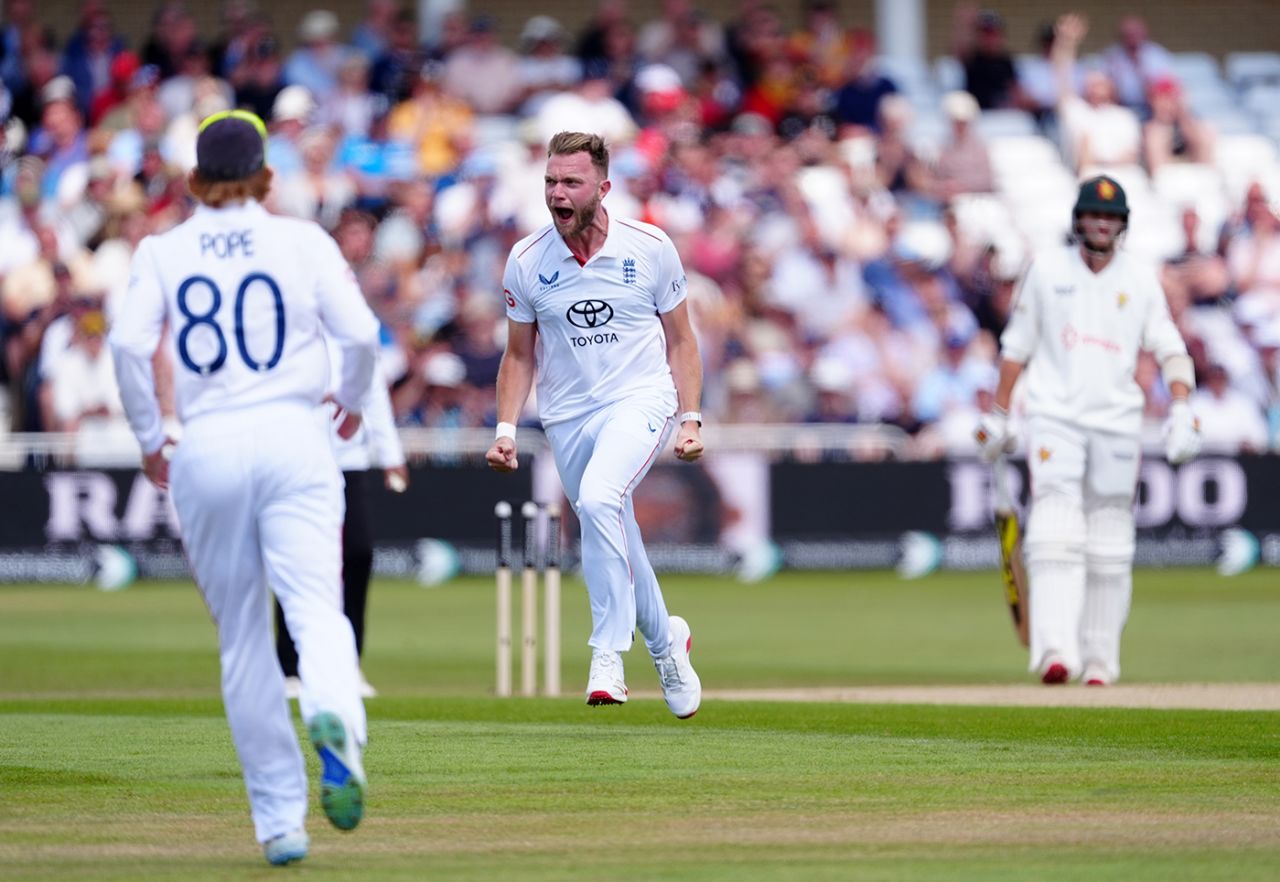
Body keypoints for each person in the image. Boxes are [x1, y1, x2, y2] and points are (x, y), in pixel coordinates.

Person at [108, 109, 378, 865]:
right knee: (317, 610)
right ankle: (332, 718)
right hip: (296, 434)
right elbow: (359, 335)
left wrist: (150, 435)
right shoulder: (302, 239)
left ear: (193, 180)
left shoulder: (163, 250)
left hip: (209, 442)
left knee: (243, 641)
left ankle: (280, 822)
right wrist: (352, 402)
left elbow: (129, 346)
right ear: (267, 176)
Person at [485, 131, 704, 718]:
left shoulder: (651, 247)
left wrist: (691, 417)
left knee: (602, 498)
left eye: (571, 182)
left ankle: (608, 651)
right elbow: (519, 354)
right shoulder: (527, 260)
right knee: (615, 529)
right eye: (551, 182)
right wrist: (506, 429)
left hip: (640, 398)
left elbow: (682, 340)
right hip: (567, 416)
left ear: (603, 188)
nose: (558, 193)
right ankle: (667, 644)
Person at [975, 175, 1201, 687]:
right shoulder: (1047, 270)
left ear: (1121, 226)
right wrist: (999, 412)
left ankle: (1101, 660)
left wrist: (1184, 409)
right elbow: (1017, 348)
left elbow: (1169, 347)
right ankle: (1056, 651)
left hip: (1117, 423)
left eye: (1112, 217)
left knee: (1109, 539)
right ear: (1078, 221)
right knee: (1054, 530)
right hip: (1056, 418)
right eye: (1094, 216)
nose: (1101, 224)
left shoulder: (1139, 279)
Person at [276, 349, 407, 701]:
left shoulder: (350, 329)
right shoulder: (292, 325)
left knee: (358, 553)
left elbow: (373, 392)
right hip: (298, 458)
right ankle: (291, 667)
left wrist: (391, 455)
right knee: (297, 557)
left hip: (350, 461)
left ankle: (348, 664)